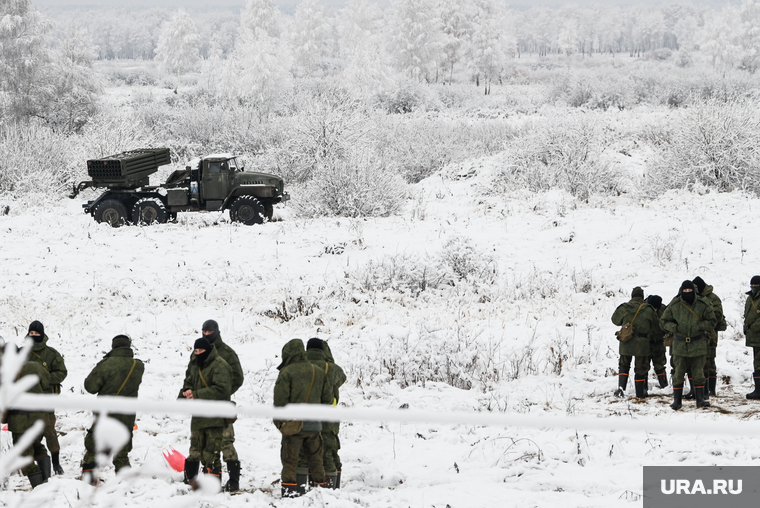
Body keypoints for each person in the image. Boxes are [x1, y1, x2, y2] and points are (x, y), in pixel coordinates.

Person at [81, 335, 145, 484]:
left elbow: (90, 387)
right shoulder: (138, 366)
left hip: (106, 413)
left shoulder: (106, 364)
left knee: (94, 447)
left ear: (113, 346)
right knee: (122, 452)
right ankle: (124, 485)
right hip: (127, 414)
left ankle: (89, 483)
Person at [189, 320, 244, 492]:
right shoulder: (196, 352)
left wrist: (223, 391)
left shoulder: (227, 353)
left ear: (217, 332)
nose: (206, 334)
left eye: (209, 331)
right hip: (200, 405)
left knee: (226, 442)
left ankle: (234, 481)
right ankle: (194, 479)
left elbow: (238, 377)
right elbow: (190, 375)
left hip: (221, 406)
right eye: (204, 331)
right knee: (199, 442)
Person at [273, 339, 332, 498]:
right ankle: (322, 494)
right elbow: (327, 400)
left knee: (290, 463)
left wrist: (279, 423)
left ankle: (289, 494)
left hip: (293, 426)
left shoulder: (287, 372)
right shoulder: (318, 371)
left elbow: (280, 401)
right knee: (317, 462)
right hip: (314, 426)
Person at [179, 337, 232, 487]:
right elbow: (188, 380)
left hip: (215, 414)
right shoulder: (195, 364)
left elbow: (222, 389)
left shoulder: (220, 365)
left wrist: (197, 394)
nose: (198, 353)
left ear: (207, 350)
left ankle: (212, 486)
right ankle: (191, 482)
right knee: (195, 447)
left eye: (200, 351)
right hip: (198, 413)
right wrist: (186, 392)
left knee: (212, 450)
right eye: (195, 351)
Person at [297, 338, 346, 489]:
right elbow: (341, 378)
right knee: (328, 452)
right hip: (327, 415)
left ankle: (298, 490)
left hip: (303, 414)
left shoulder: (299, 367)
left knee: (302, 452)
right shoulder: (331, 368)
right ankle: (330, 489)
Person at [661, 280, 717, 410]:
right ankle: (677, 401)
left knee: (699, 373)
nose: (687, 293)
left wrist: (700, 326)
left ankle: (700, 400)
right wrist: (674, 327)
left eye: (689, 291)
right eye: (685, 291)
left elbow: (712, 321)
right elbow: (663, 321)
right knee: (678, 373)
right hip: (680, 345)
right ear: (681, 291)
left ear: (694, 291)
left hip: (698, 344)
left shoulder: (703, 304)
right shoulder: (674, 305)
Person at [3, 342, 52, 488]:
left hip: (19, 420)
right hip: (40, 415)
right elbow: (46, 383)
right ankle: (46, 484)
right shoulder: (36, 366)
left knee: (24, 454)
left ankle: (39, 488)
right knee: (37, 446)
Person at [26, 320, 67, 475]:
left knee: (49, 430)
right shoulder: (22, 352)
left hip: (46, 397)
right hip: (26, 398)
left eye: (36, 333)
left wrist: (45, 378)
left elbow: (62, 372)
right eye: (31, 333)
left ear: (42, 334)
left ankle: (56, 462)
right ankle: (36, 463)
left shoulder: (51, 354)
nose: (34, 335)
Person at [611, 287, 659, 398]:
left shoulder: (624, 307)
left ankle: (621, 389)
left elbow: (615, 320)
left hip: (626, 341)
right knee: (640, 368)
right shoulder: (648, 309)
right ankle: (640, 393)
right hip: (642, 344)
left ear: (632, 296)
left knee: (623, 365)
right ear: (642, 296)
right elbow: (656, 326)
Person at [693, 276, 726, 399]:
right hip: (696, 335)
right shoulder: (693, 297)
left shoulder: (713, 298)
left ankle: (711, 389)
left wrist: (703, 321)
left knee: (710, 361)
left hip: (710, 334)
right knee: (698, 362)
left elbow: (717, 316)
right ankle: (702, 389)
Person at [645, 295, 669, 389]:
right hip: (646, 343)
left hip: (659, 342)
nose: (655, 310)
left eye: (657, 308)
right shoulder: (644, 309)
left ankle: (664, 386)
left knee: (660, 365)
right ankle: (643, 388)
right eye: (653, 308)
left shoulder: (663, 309)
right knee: (644, 366)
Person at [744, 276, 760, 399]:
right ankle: (758, 389)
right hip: (754, 336)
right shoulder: (750, 298)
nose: (753, 287)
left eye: (756, 285)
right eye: (752, 285)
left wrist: (754, 326)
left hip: (757, 333)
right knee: (757, 363)